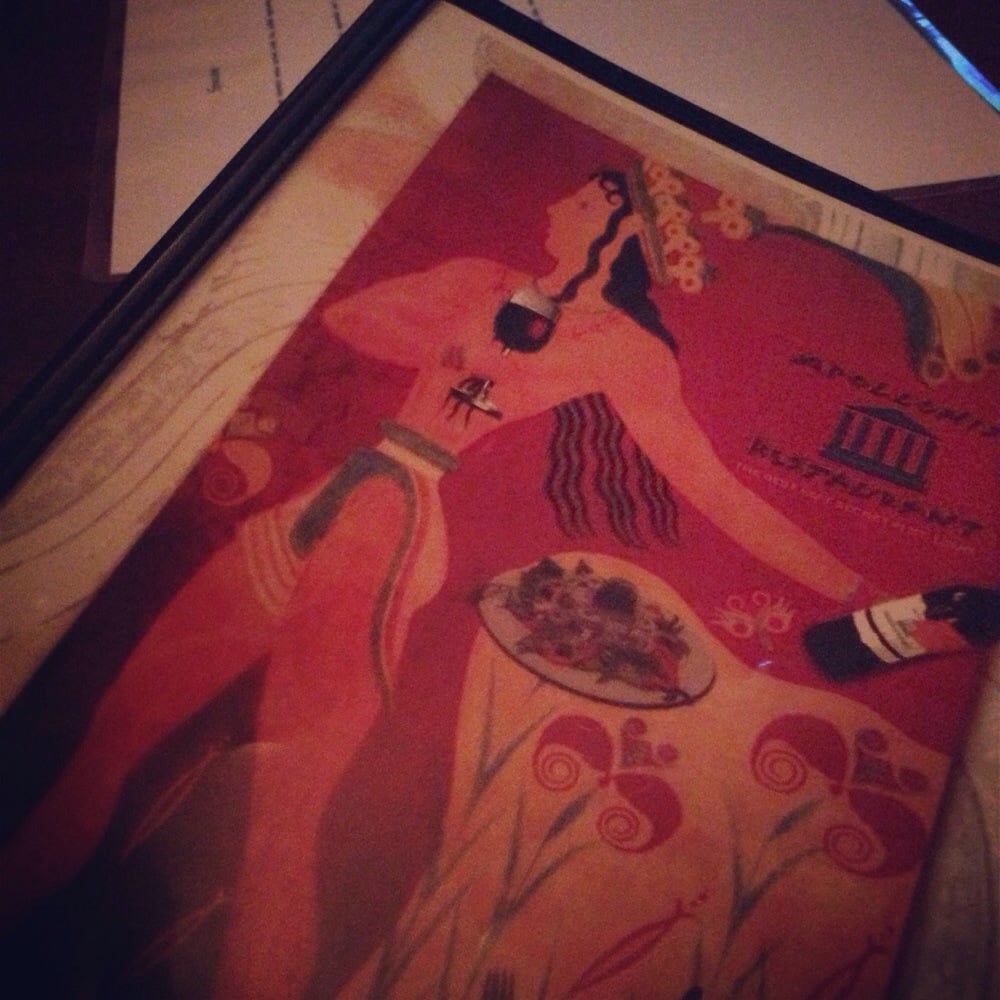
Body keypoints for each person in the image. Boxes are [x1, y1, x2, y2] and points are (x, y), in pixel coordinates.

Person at [0, 166, 867, 996]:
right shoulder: (486, 280)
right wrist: (454, 319)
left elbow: (710, 486)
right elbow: (346, 319)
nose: (557, 204)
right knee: (114, 731)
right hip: (333, 493)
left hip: (395, 524)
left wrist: (841, 582)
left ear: (621, 227)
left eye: (584, 198)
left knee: (285, 817)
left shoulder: (628, 352)